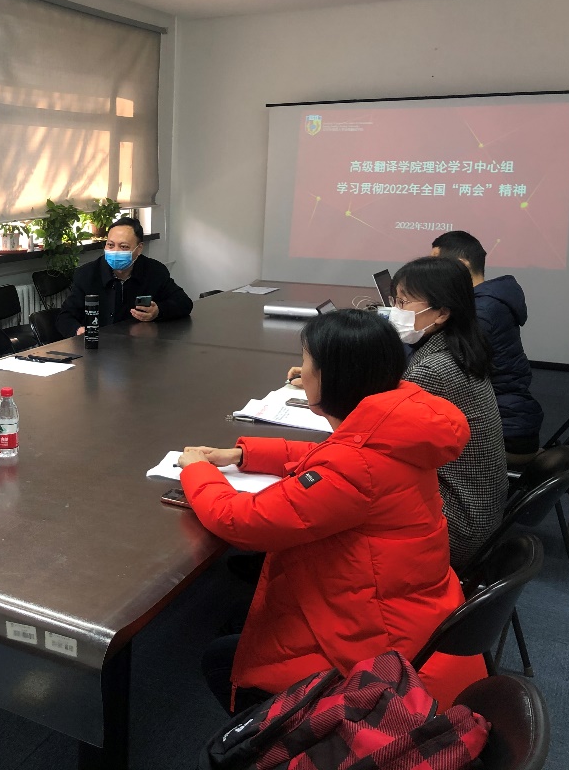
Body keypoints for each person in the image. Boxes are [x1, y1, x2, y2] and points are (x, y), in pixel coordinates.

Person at [177, 310, 484, 712]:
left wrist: (196, 470)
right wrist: (243, 454)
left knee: (220, 659)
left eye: (306, 363)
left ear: (331, 377)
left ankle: (271, 739)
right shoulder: (395, 429)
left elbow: (241, 521)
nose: (300, 373)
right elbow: (328, 457)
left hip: (387, 670)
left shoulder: (356, 467)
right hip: (411, 620)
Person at [391, 256, 509, 568]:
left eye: (403, 302)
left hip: (457, 524)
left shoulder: (432, 370)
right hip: (481, 513)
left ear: (443, 312)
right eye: (395, 301)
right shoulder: (461, 348)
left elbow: (383, 440)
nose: (396, 312)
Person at [431, 230, 543, 466]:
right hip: (513, 417)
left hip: (505, 434)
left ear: (462, 266)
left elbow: (444, 367)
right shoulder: (486, 301)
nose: (431, 272)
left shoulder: (482, 312)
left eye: (436, 264)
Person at [56, 216, 193, 338]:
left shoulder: (154, 271)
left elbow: (184, 303)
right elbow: (65, 317)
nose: (115, 251)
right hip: (100, 347)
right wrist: (78, 331)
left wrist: (158, 311)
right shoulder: (87, 274)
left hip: (140, 346)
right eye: (110, 245)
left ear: (139, 248)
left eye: (124, 247)